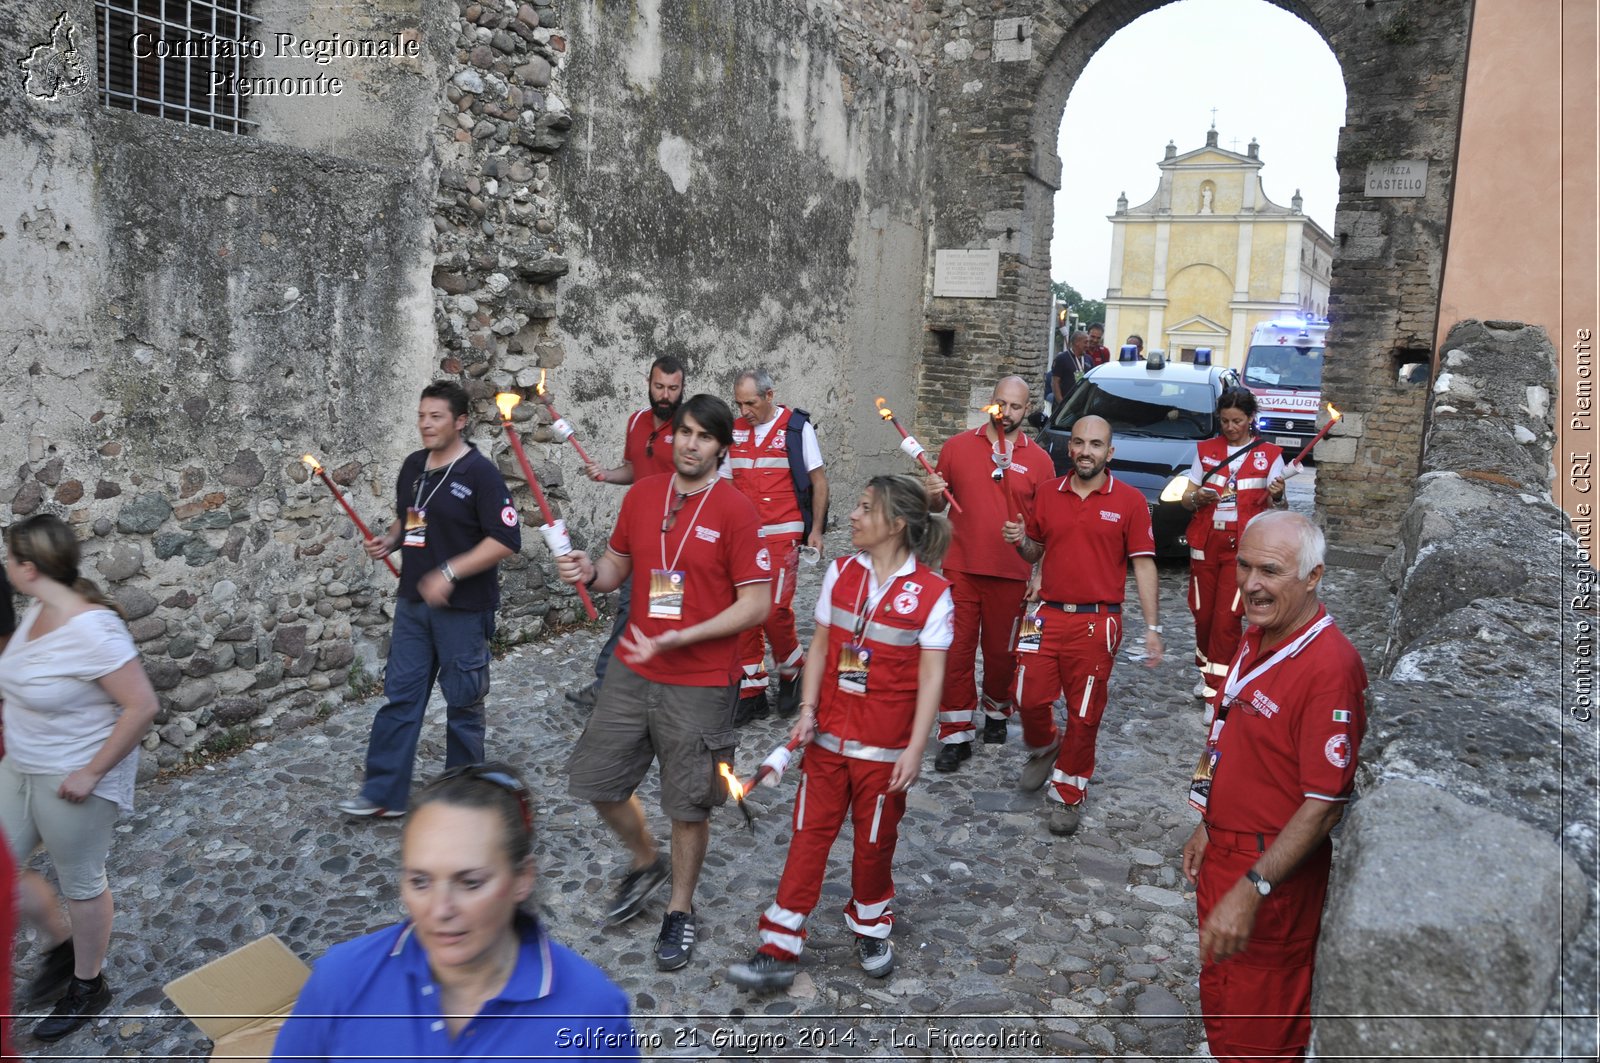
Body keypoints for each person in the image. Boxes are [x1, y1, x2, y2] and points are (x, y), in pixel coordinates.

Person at [557, 394, 770, 972]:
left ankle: (680, 909)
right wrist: (588, 571)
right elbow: (614, 568)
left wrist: (683, 636)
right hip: (633, 668)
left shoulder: (736, 512)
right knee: (598, 781)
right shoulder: (643, 495)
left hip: (700, 681)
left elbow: (757, 604)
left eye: (704, 436)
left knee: (688, 804)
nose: (690, 443)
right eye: (684, 432)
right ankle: (645, 858)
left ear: (722, 449)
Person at [725, 475, 952, 991]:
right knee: (808, 838)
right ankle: (778, 945)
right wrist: (806, 709)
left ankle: (871, 926)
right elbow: (822, 647)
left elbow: (933, 677)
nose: (851, 515)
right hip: (827, 742)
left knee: (875, 844)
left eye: (865, 508)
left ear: (895, 525)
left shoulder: (934, 596)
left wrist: (916, 749)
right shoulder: (840, 572)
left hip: (885, 751)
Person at [274, 763, 638, 1060]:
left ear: (522, 878)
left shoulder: (592, 1011)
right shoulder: (342, 979)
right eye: (420, 881)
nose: (440, 910)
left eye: (470, 882)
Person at [1181, 512, 1367, 1062]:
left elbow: (1325, 805)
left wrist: (1251, 890)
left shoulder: (1329, 668)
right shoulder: (1259, 633)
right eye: (1243, 565)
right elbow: (1232, 734)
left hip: (1271, 880)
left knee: (1260, 1032)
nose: (1251, 584)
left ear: (1313, 577)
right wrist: (1206, 821)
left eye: (1270, 570)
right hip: (1227, 851)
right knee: (1222, 999)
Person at [0, 514, 160, 1042]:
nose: (5, 567)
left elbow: (141, 707)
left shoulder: (93, 628)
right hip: (20, 765)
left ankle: (88, 984)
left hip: (72, 775)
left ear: (28, 566)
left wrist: (92, 773)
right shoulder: (37, 610)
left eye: (9, 558)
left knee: (82, 883)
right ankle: (58, 944)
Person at [336, 381, 522, 818]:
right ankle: (384, 795)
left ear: (460, 422)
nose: (425, 424)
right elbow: (411, 519)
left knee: (462, 705)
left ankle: (464, 800)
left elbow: (507, 538)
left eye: (436, 416)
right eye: (422, 415)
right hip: (414, 604)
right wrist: (390, 541)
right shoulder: (414, 467)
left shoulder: (481, 474)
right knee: (400, 698)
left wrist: (450, 571)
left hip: (464, 609)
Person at [1001, 415, 1163, 836]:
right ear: (1068, 447)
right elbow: (1035, 551)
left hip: (1097, 621)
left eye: (1095, 444)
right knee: (1025, 694)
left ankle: (1068, 793)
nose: (1085, 451)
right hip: (1046, 614)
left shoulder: (1129, 501)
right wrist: (1020, 540)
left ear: (1110, 453)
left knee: (1085, 713)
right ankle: (1045, 744)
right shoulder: (1047, 492)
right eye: (1078, 442)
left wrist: (1152, 627)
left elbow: (1143, 564)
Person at [922, 377, 1055, 773]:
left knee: (1002, 655)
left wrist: (1040, 574)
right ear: (991, 404)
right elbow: (934, 504)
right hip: (960, 568)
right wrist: (930, 489)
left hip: (1011, 573)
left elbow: (1049, 527)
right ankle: (956, 733)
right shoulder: (957, 447)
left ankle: (997, 712)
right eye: (1001, 404)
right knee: (955, 651)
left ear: (1026, 410)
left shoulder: (1040, 461)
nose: (1007, 412)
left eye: (1016, 407)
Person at [566, 355, 686, 710]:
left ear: (683, 389)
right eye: (659, 387)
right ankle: (615, 684)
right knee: (632, 609)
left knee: (660, 612)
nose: (665, 396)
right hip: (635, 532)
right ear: (648, 384)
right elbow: (635, 469)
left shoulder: (687, 428)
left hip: (671, 540)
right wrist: (606, 474)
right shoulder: (636, 421)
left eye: (673, 389)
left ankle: (642, 687)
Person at [726, 368, 829, 723]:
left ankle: (792, 668)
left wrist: (816, 529)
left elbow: (818, 481)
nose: (744, 411)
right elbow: (725, 486)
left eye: (750, 403)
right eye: (739, 404)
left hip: (782, 535)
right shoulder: (734, 432)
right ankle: (752, 688)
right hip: (742, 538)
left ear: (770, 396)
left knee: (773, 610)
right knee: (743, 611)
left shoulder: (795, 429)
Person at [1182, 389, 1287, 702]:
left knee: (1228, 618)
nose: (1230, 427)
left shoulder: (1269, 455)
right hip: (1205, 543)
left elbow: (1279, 510)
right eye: (1225, 420)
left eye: (1237, 421)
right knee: (1202, 614)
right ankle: (1206, 670)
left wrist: (1278, 493)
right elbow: (1187, 499)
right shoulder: (1205, 450)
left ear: (1250, 419)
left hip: (1242, 548)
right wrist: (1196, 498)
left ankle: (1218, 689)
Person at [1050, 330, 1091, 408]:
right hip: (1064, 405)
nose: (1088, 345)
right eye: (1085, 342)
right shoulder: (1061, 358)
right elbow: (1055, 382)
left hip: (1081, 406)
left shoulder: (1089, 359)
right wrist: (1061, 403)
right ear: (1077, 342)